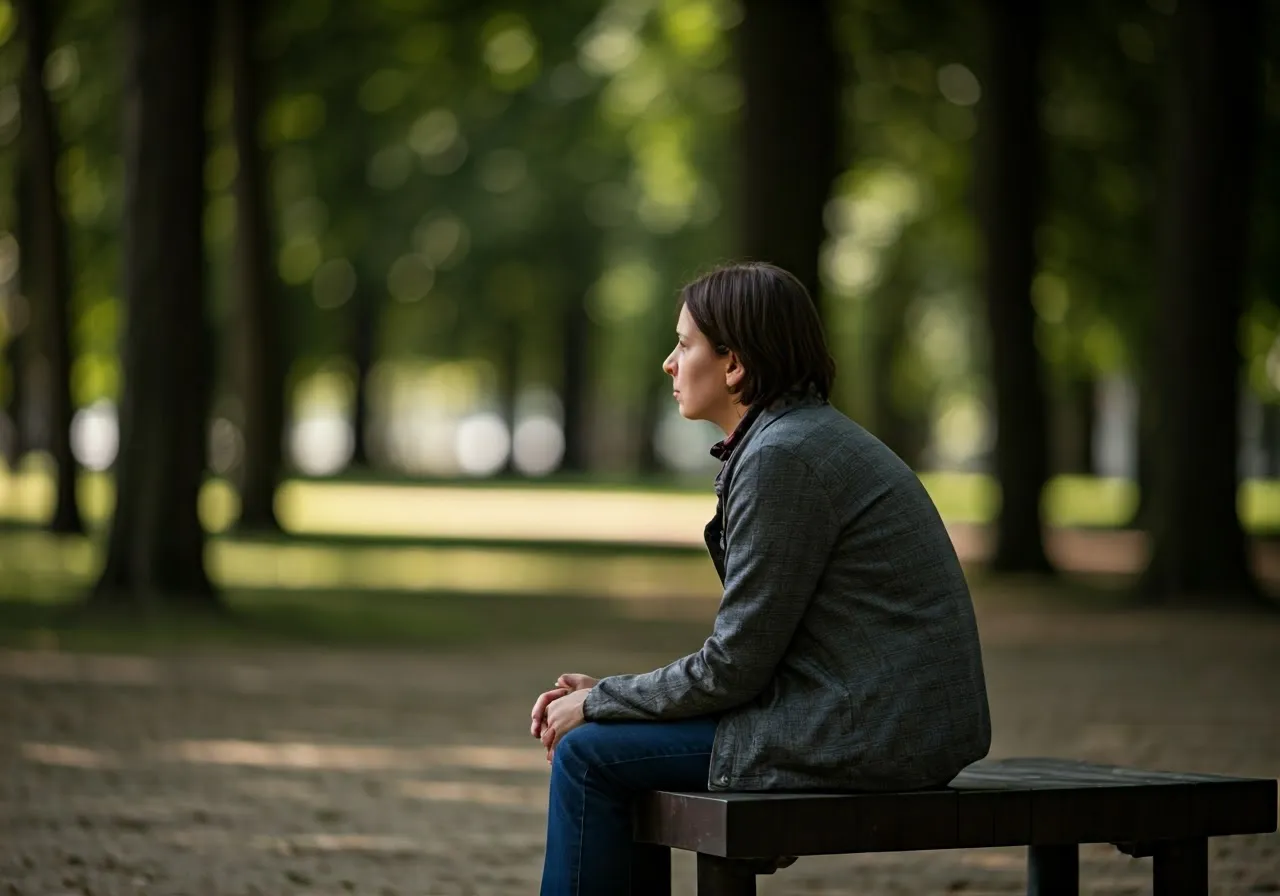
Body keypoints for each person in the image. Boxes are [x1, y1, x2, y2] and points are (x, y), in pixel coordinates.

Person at [529, 261, 991, 895]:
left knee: (588, 755)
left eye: (684, 344)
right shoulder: (795, 439)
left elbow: (733, 668)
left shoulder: (783, 458)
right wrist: (613, 698)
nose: (669, 362)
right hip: (876, 718)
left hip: (874, 732)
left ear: (735, 365)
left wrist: (601, 701)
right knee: (607, 740)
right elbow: (750, 659)